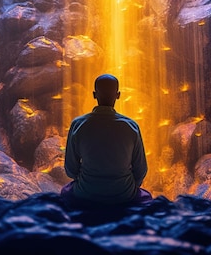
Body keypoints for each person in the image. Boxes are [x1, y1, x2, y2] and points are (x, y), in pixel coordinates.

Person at [61, 74, 152, 207]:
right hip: (124, 194)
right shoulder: (131, 126)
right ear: (118, 95)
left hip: (86, 192)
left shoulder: (78, 124)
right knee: (147, 198)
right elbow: (141, 170)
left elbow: (70, 169)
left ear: (94, 95)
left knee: (65, 193)